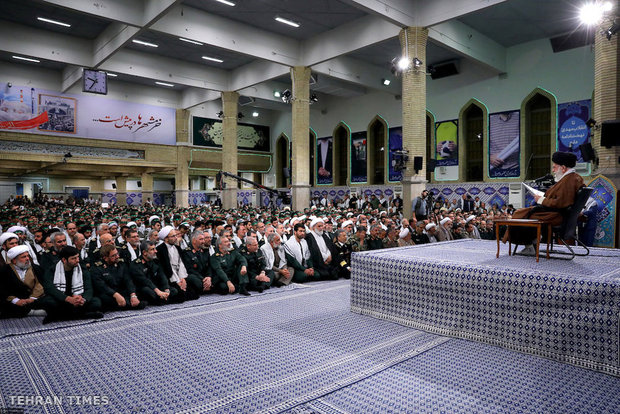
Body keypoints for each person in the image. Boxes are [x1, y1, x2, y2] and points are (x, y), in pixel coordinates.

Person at [504, 151, 584, 254]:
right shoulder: (574, 178)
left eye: (554, 167)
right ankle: (531, 244)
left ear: (563, 168)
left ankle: (529, 246)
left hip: (557, 215)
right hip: (559, 213)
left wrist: (541, 199)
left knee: (519, 214)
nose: (553, 170)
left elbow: (560, 203)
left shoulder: (568, 181)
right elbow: (562, 199)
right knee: (522, 212)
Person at [41, 246, 103, 323]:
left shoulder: (82, 269)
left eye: (77, 257)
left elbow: (89, 288)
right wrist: (68, 299)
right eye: (73, 258)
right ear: (64, 260)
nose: (77, 260)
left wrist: (82, 299)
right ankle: (82, 315)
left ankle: (59, 317)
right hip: (63, 300)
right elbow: (49, 288)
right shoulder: (52, 269)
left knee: (96, 302)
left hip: (78, 300)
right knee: (48, 302)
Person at [92, 244, 145, 311]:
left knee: (140, 291)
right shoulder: (97, 268)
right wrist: (116, 295)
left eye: (117, 254)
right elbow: (102, 287)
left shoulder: (121, 264)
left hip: (120, 290)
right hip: (109, 293)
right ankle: (131, 305)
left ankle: (128, 303)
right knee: (104, 299)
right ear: (105, 258)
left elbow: (128, 280)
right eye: (113, 256)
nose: (117, 256)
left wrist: (133, 295)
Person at [0, 246, 48, 319]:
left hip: (33, 298)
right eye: (23, 257)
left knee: (49, 300)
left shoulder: (36, 268)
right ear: (14, 260)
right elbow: (3, 289)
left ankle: (28, 310)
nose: (27, 258)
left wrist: (32, 298)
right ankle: (30, 311)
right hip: (16, 300)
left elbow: (40, 285)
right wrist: (16, 300)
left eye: (28, 256)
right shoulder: (4, 271)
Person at [130, 241, 181, 305]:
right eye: (152, 249)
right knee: (149, 292)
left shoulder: (155, 261)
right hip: (146, 287)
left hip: (156, 286)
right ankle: (162, 299)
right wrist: (158, 292)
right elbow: (145, 281)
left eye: (155, 249)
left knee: (174, 291)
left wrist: (166, 290)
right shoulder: (136, 265)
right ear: (144, 252)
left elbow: (162, 276)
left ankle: (163, 298)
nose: (155, 251)